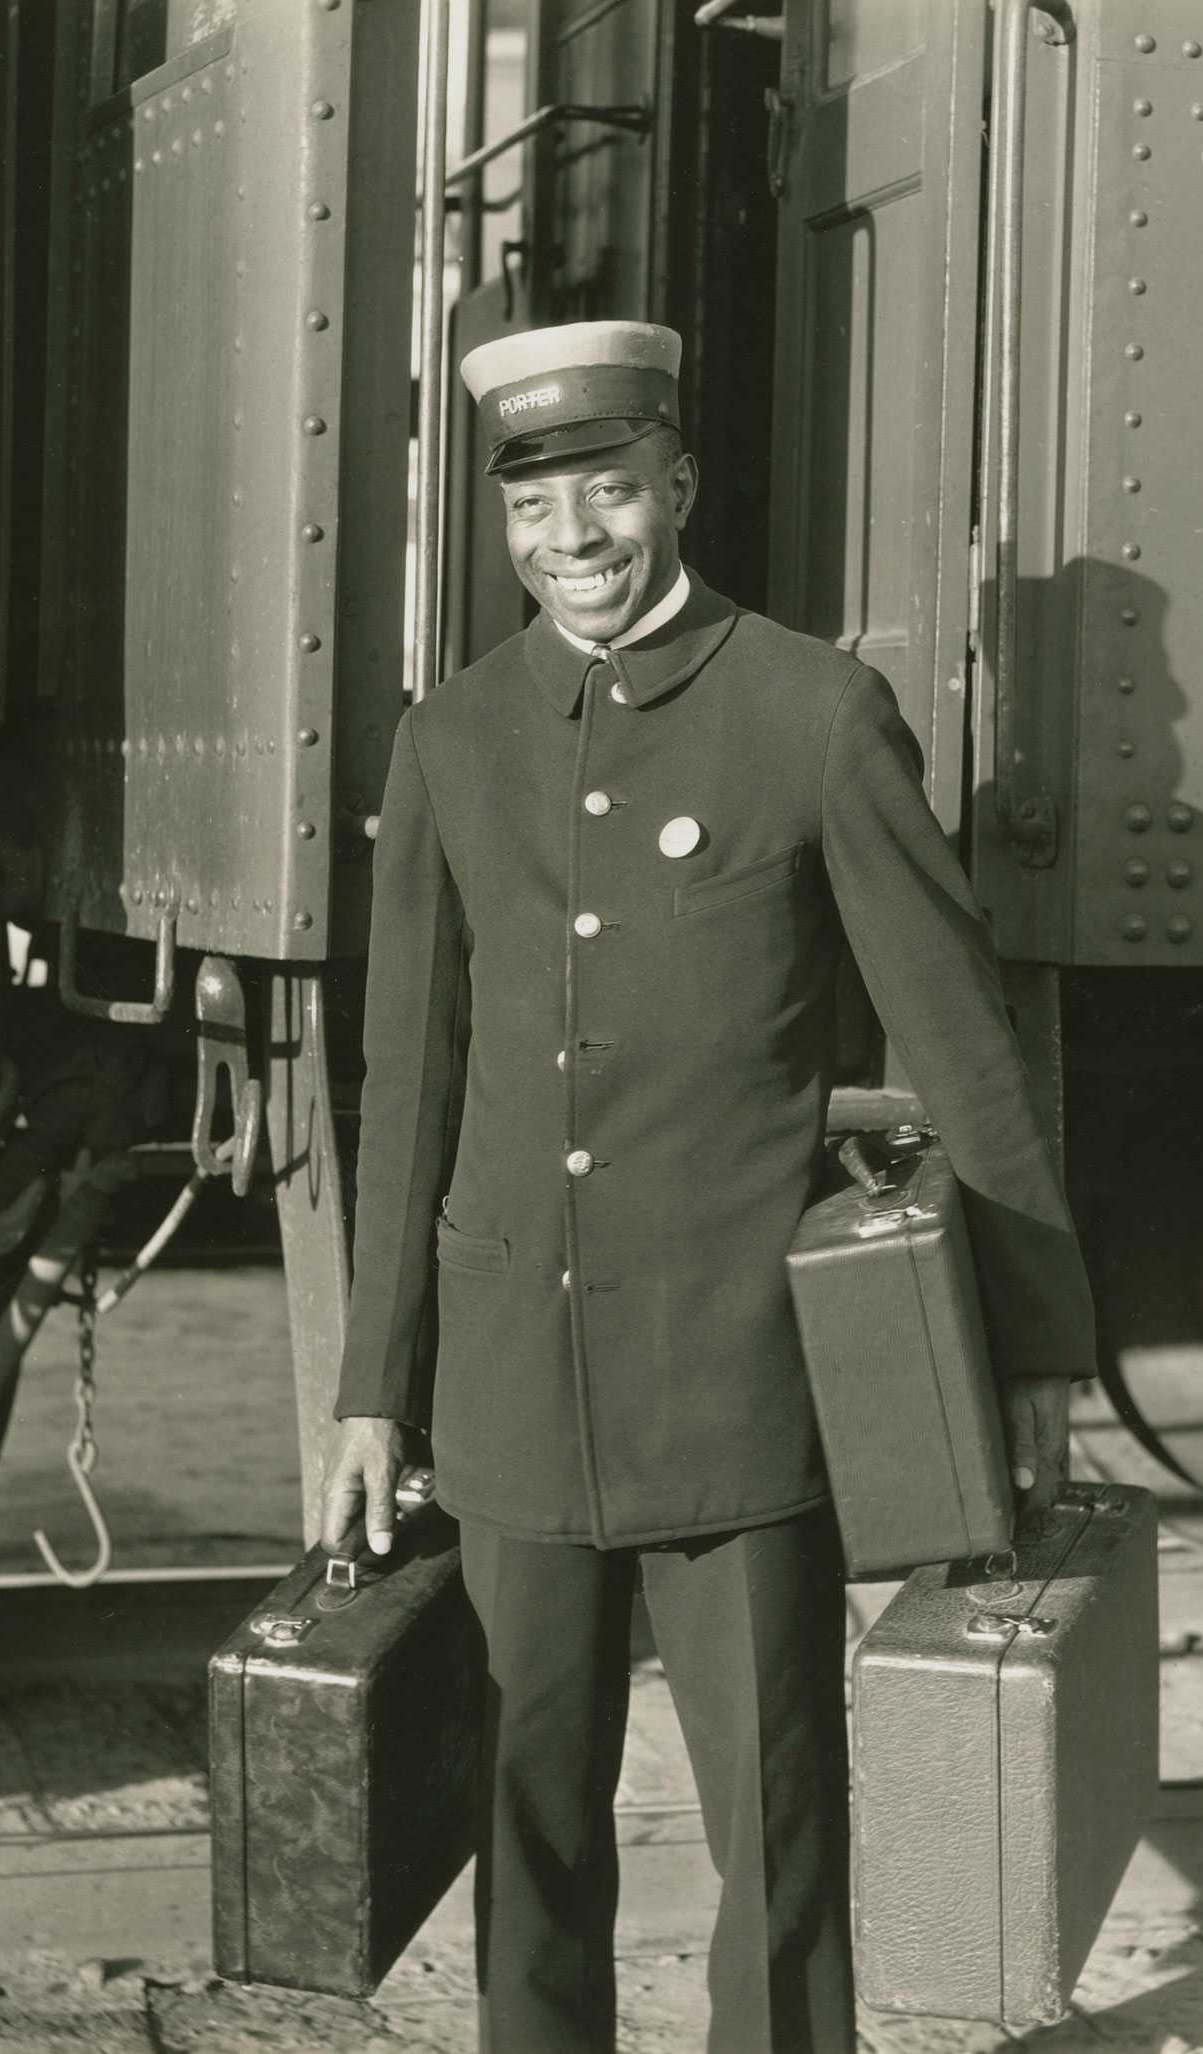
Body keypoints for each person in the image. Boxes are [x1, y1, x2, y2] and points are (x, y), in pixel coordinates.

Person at [319, 320, 1098, 2054]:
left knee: (781, 1840)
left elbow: (963, 1045)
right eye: (537, 508)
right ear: (502, 526)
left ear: (677, 482)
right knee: (526, 1849)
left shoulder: (811, 714)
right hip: (518, 1394)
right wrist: (376, 1388)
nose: (576, 538)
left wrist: (1035, 1352)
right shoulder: (451, 742)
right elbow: (413, 1094)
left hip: (743, 1396)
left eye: (608, 491)